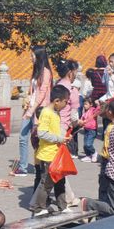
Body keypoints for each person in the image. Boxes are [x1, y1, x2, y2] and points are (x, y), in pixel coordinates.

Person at [29, 85, 70, 216]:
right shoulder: (46, 113)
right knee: (46, 183)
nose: (66, 104)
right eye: (65, 102)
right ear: (57, 101)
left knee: (60, 181)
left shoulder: (54, 113)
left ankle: (62, 205)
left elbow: (55, 130)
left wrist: (63, 138)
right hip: (48, 154)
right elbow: (42, 133)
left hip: (56, 153)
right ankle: (38, 208)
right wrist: (59, 139)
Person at [17, 46, 52, 176]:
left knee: (36, 139)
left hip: (38, 110)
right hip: (29, 107)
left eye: (32, 55)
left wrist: (32, 110)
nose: (31, 58)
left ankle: (40, 165)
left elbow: (42, 93)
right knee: (22, 137)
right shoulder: (36, 71)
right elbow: (33, 90)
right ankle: (23, 166)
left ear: (39, 57)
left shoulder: (46, 72)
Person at [79, 97, 100, 163]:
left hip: (92, 130)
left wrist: (98, 104)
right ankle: (88, 156)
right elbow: (82, 119)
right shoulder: (85, 112)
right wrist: (81, 122)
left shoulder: (93, 110)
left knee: (88, 144)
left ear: (91, 104)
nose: (84, 106)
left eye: (86, 104)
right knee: (85, 145)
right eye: (84, 104)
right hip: (86, 129)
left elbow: (98, 110)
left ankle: (94, 153)